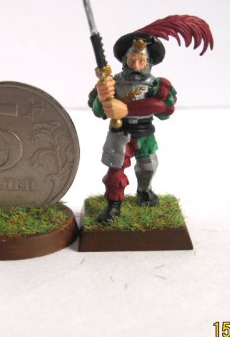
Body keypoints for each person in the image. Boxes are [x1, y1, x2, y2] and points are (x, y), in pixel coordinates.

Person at [87, 15, 213, 223]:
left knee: (148, 166)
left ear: (149, 62)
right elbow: (98, 111)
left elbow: (165, 108)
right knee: (115, 171)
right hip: (120, 133)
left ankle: (144, 191)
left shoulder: (157, 84)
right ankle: (113, 205)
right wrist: (103, 97)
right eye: (132, 60)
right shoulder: (112, 83)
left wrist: (125, 108)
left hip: (145, 133)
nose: (136, 65)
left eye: (141, 60)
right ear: (124, 60)